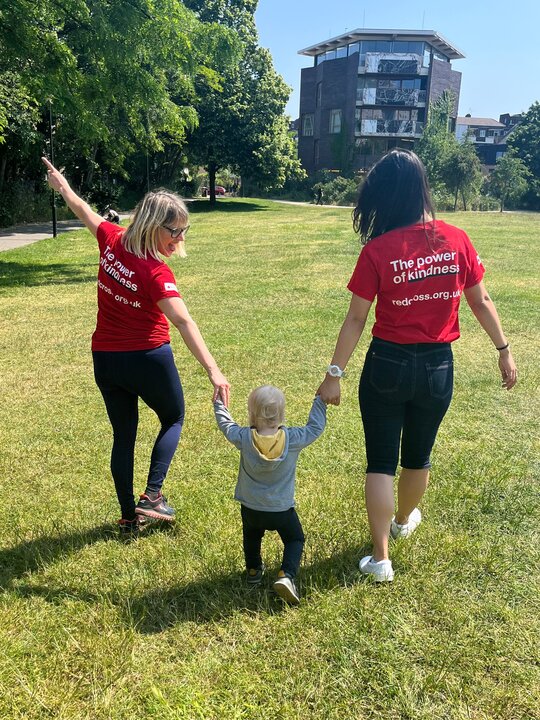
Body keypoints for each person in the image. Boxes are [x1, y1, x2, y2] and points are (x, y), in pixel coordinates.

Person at [317, 149, 517, 582]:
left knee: (380, 462)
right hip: (437, 368)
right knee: (418, 457)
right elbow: (480, 301)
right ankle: (404, 519)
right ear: (421, 189)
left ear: (386, 197)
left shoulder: (378, 249)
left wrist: (334, 374)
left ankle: (381, 558)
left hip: (386, 363)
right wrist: (503, 349)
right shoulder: (457, 239)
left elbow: (356, 318)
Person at [42, 156, 230, 539]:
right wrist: (213, 370)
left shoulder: (112, 239)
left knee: (124, 435)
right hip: (147, 357)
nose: (180, 238)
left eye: (184, 230)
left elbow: (84, 211)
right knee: (174, 417)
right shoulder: (155, 272)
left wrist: (62, 187)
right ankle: (152, 497)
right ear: (153, 225)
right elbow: (182, 320)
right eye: (175, 230)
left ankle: (129, 518)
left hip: (106, 361)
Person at [214, 386, 327, 604]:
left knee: (252, 536)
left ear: (252, 414)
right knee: (294, 539)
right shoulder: (293, 438)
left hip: (251, 508)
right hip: (282, 509)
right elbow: (315, 428)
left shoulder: (244, 438)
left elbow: (226, 426)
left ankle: (254, 571)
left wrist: (219, 403)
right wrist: (320, 402)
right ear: (282, 414)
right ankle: (286, 575)